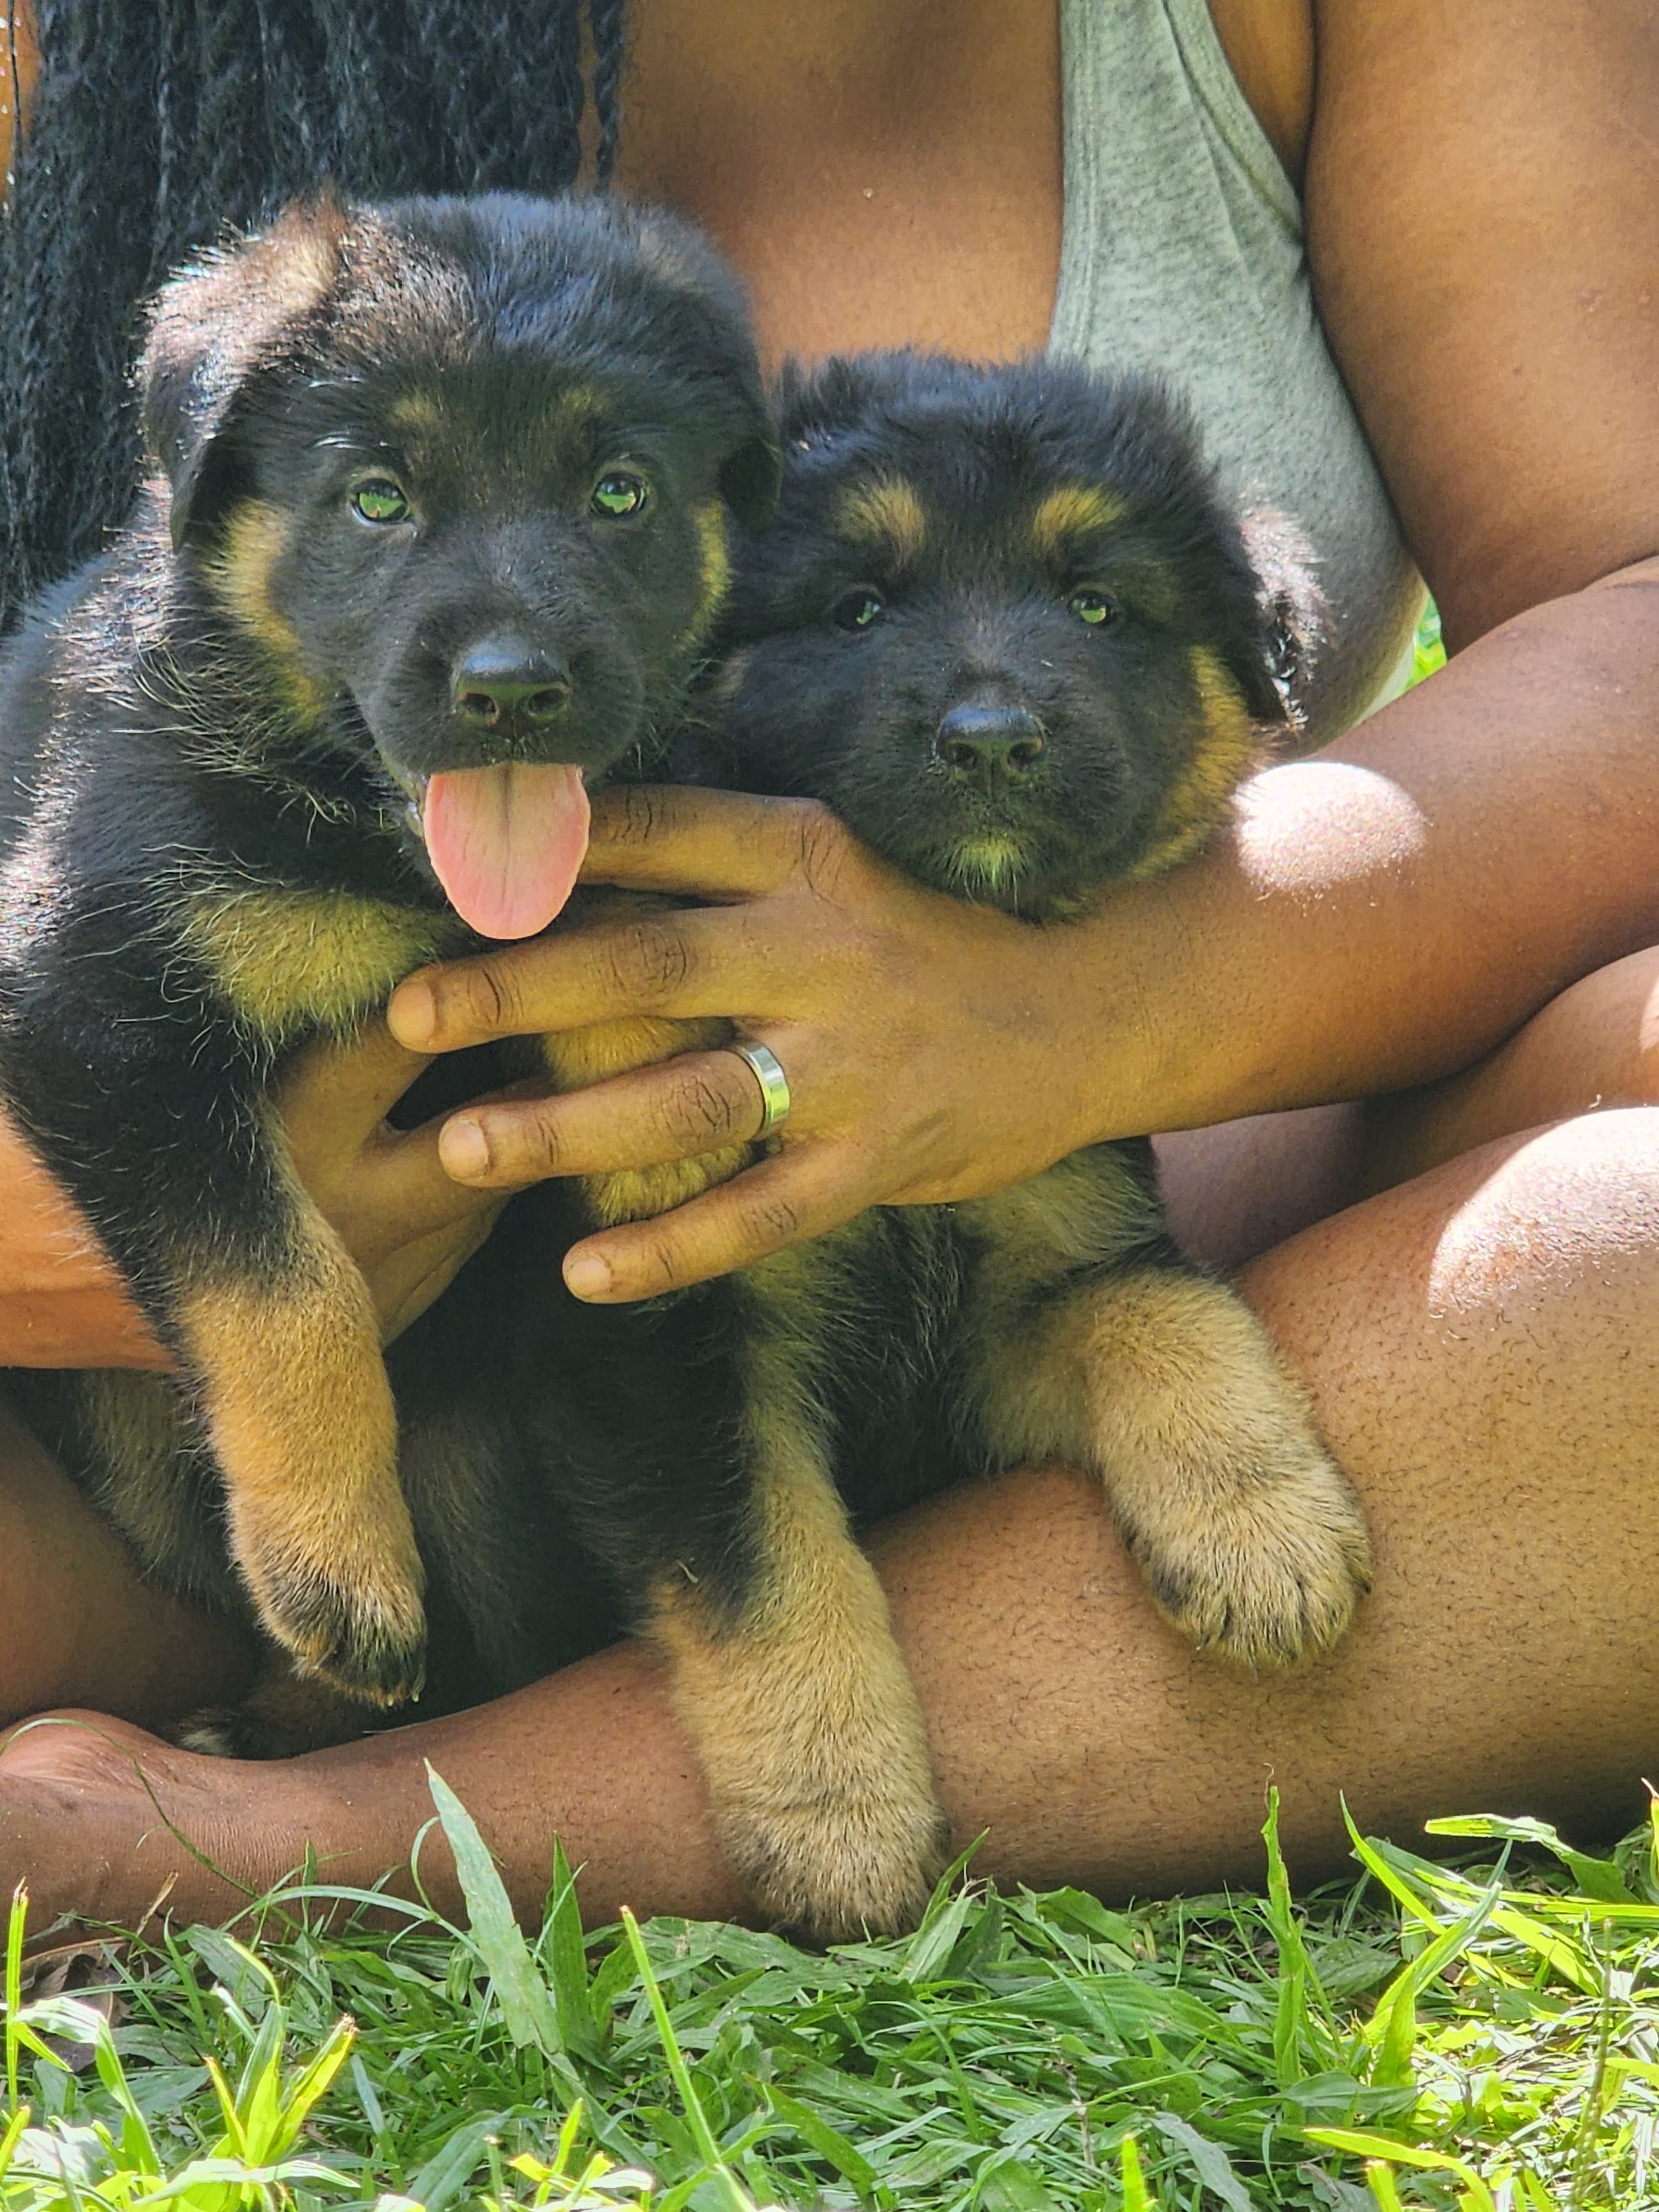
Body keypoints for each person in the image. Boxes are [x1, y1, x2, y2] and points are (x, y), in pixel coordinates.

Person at [2, 0, 1658, 1933]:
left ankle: (299, 1848)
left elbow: (1633, 609)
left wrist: (1107, 1009)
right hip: (136, 1412)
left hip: (1217, 1175)